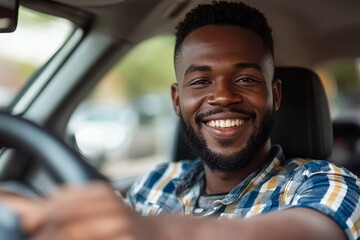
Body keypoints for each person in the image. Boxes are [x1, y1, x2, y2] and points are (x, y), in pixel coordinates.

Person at [2, 1, 360, 239]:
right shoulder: (156, 181)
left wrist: (153, 231)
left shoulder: (323, 181)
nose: (222, 96)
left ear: (275, 95)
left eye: (246, 79)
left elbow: (310, 232)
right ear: (177, 100)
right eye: (201, 81)